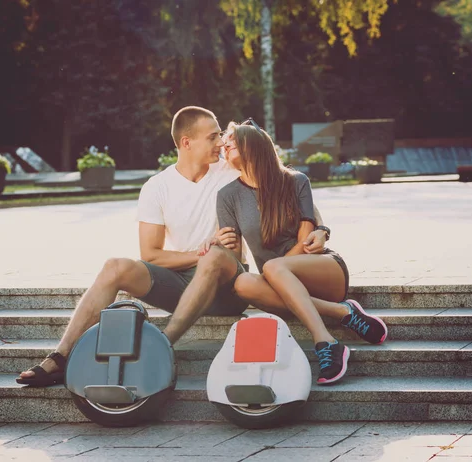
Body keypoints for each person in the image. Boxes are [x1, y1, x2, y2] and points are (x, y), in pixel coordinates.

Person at [17, 106, 329, 387]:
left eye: (222, 135)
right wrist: (201, 251)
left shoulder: (230, 168)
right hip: (182, 282)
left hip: (228, 283)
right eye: (213, 137)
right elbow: (151, 255)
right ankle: (60, 356)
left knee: (217, 256)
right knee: (115, 266)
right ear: (186, 143)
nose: (221, 143)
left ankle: (163, 346)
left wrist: (319, 225)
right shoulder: (157, 187)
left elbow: (286, 184)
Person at [214, 119, 388, 385]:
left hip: (321, 269)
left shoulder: (295, 181)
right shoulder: (227, 196)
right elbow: (238, 259)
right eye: (224, 146)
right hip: (281, 285)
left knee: (272, 267)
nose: (224, 149)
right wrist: (220, 245)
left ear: (253, 145)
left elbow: (307, 237)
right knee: (242, 282)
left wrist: (277, 268)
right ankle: (343, 314)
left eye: (231, 144)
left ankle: (325, 341)